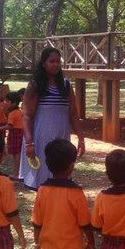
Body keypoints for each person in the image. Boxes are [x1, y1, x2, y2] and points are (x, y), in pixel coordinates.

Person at [20, 47, 86, 190]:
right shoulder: (35, 85)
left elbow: (73, 114)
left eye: (58, 62)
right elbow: (27, 115)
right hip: (40, 138)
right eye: (52, 61)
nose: (55, 64)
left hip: (62, 138)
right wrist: (29, 143)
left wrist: (81, 138)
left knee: (62, 175)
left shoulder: (66, 85)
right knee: (43, 178)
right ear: (44, 63)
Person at [0, 92, 24, 181]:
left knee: (16, 154)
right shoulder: (18, 111)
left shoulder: (13, 113)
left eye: (7, 101)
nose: (5, 103)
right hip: (19, 132)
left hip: (15, 133)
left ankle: (17, 174)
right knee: (17, 154)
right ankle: (18, 172)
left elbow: (10, 126)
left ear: (13, 103)